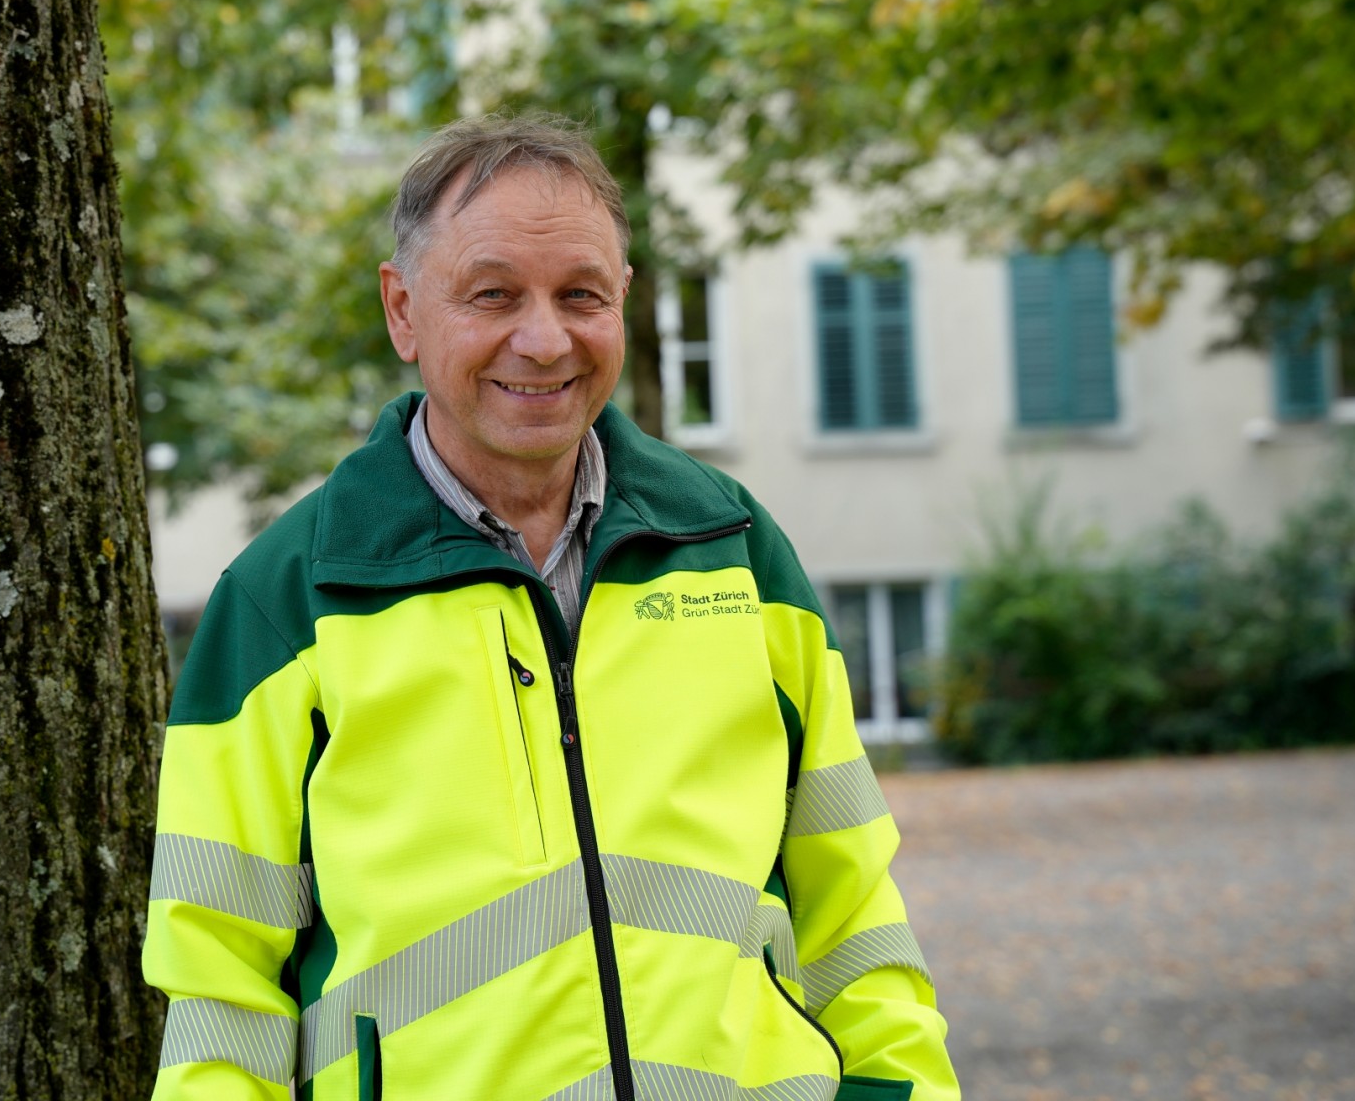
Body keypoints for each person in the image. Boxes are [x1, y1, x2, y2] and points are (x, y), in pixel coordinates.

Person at [141, 114, 960, 1101]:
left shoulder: (736, 552)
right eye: (493, 295)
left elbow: (856, 916)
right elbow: (218, 993)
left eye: (582, 295)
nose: (544, 338)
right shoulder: (285, 601)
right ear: (403, 310)